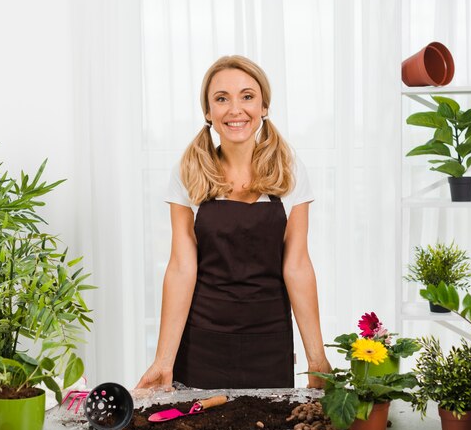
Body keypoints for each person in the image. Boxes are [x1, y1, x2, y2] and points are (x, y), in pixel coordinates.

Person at [136, 55, 330, 390]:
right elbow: (182, 268)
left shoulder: (290, 170)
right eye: (221, 98)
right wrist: (163, 361)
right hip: (202, 343)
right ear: (209, 112)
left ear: (264, 106)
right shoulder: (189, 172)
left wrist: (317, 360)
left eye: (247, 96)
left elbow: (297, 266)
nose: (235, 109)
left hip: (270, 342)